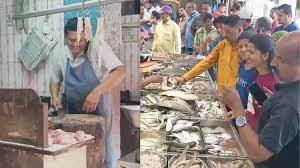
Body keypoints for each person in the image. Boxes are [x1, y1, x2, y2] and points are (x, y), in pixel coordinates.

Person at [50, 17, 126, 168]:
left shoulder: (97, 47)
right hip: (72, 112)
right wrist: (54, 96)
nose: (76, 44)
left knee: (102, 144)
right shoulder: (61, 53)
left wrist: (97, 92)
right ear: (65, 37)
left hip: (99, 109)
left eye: (81, 40)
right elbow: (55, 80)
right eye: (72, 40)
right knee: (74, 146)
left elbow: (120, 71)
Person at [220, 31, 300, 168]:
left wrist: (238, 109)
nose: (273, 63)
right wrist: (269, 104)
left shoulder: (289, 105)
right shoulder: (288, 90)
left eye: (281, 59)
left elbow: (258, 154)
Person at [176, 15, 243, 93]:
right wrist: (185, 78)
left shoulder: (246, 50)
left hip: (237, 97)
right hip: (221, 93)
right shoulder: (222, 45)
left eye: (228, 32)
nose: (224, 35)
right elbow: (206, 62)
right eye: (224, 31)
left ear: (240, 30)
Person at [228, 34, 276, 130]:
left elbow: (267, 120)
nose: (246, 54)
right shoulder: (258, 76)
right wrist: (241, 112)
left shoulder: (272, 84)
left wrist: (239, 113)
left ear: (265, 55)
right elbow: (256, 110)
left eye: (251, 52)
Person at [235, 31, 258, 109]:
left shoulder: (257, 72)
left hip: (247, 114)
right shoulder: (241, 65)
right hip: (236, 110)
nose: (243, 49)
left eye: (246, 46)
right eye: (240, 46)